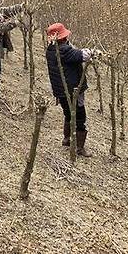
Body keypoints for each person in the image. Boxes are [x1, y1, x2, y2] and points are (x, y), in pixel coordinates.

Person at [45, 22, 95, 157]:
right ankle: (79, 147)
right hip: (73, 89)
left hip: (60, 91)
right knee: (80, 117)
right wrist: (94, 52)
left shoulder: (51, 50)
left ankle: (67, 139)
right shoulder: (65, 51)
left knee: (68, 113)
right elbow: (83, 55)